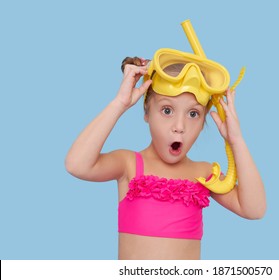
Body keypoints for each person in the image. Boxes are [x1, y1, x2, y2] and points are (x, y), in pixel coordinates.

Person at [65, 25, 266, 260]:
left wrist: (237, 140)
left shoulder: (203, 173)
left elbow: (254, 209)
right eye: (167, 110)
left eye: (193, 114)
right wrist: (119, 103)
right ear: (147, 113)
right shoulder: (129, 164)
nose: (179, 125)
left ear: (203, 122)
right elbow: (76, 164)